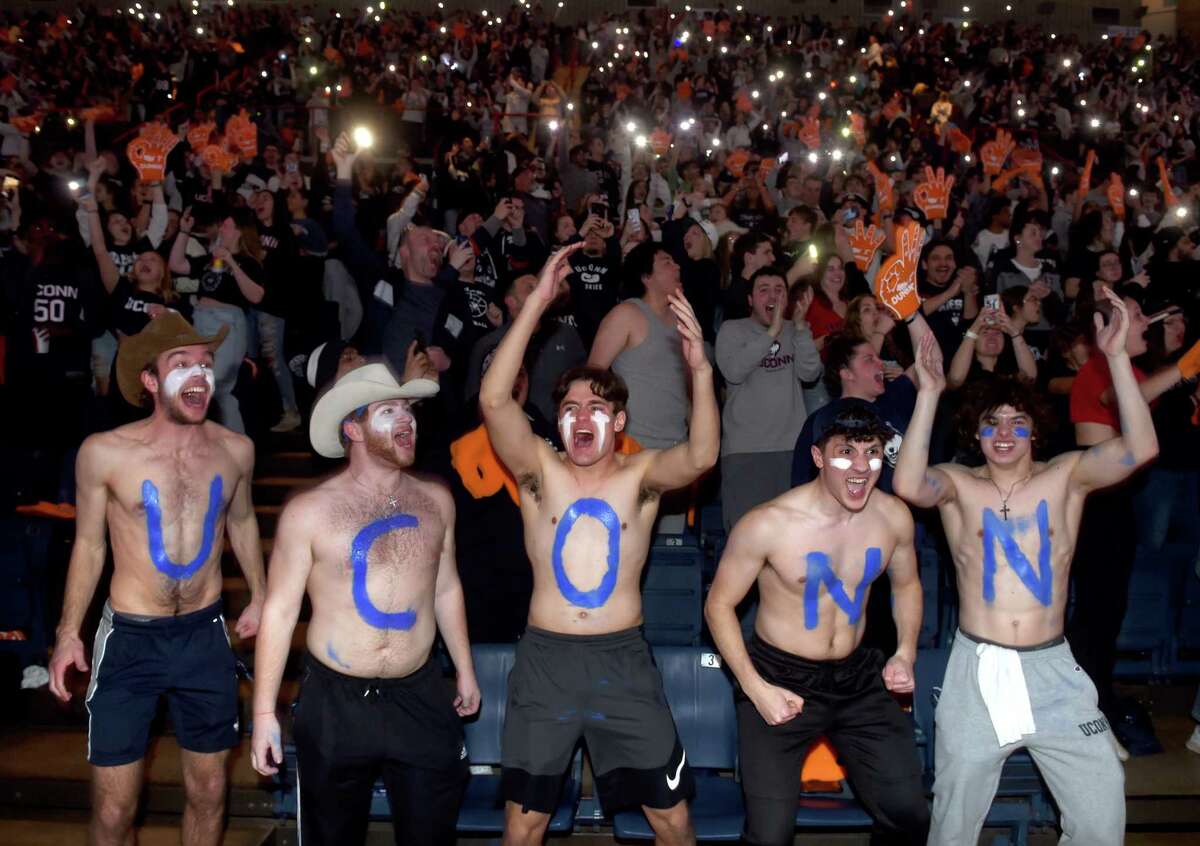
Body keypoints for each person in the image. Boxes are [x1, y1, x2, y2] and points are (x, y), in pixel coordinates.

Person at [892, 291, 1162, 845]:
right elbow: (907, 484)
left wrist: (1114, 358)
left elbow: (1140, 447)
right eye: (993, 424)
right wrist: (929, 394)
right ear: (976, 434)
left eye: (1018, 422)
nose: (1007, 433)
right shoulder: (960, 484)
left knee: (1101, 802)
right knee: (954, 818)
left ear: (1035, 431)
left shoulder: (1067, 475)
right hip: (979, 669)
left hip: (1054, 671)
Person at [479, 245, 719, 846]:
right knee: (524, 821)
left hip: (623, 663)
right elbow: (492, 400)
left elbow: (702, 456)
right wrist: (536, 303)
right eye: (568, 408)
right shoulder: (538, 471)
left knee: (672, 817)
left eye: (595, 407)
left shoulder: (640, 479)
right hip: (546, 663)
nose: (580, 417)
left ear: (618, 422)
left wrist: (701, 373)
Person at [46, 313, 266, 846]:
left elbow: (241, 521)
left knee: (210, 792)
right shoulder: (105, 453)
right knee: (116, 809)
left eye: (206, 364)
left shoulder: (236, 450)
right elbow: (90, 546)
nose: (199, 375)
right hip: (129, 640)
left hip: (204, 634)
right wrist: (67, 632)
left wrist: (261, 594)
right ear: (150, 380)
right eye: (181, 364)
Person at [249, 360, 479, 845]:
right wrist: (264, 714)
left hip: (419, 694)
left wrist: (464, 667)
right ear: (352, 427)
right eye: (389, 409)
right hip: (335, 702)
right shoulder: (308, 512)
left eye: (410, 409)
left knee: (431, 836)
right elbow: (280, 611)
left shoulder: (437, 500)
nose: (407, 419)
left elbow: (446, 588)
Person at [705, 406, 929, 846]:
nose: (862, 466)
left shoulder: (893, 517)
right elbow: (718, 606)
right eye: (846, 451)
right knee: (769, 835)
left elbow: (907, 586)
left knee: (910, 815)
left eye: (872, 451)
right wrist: (755, 688)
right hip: (779, 676)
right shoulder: (767, 523)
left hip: (858, 675)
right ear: (818, 457)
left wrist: (905, 651)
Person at [715, 267, 821, 531]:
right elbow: (733, 371)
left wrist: (798, 328)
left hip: (791, 449)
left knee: (793, 537)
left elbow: (811, 373)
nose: (772, 296)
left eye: (779, 290)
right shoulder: (732, 330)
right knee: (746, 536)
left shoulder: (795, 329)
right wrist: (771, 332)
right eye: (764, 290)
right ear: (750, 300)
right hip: (745, 452)